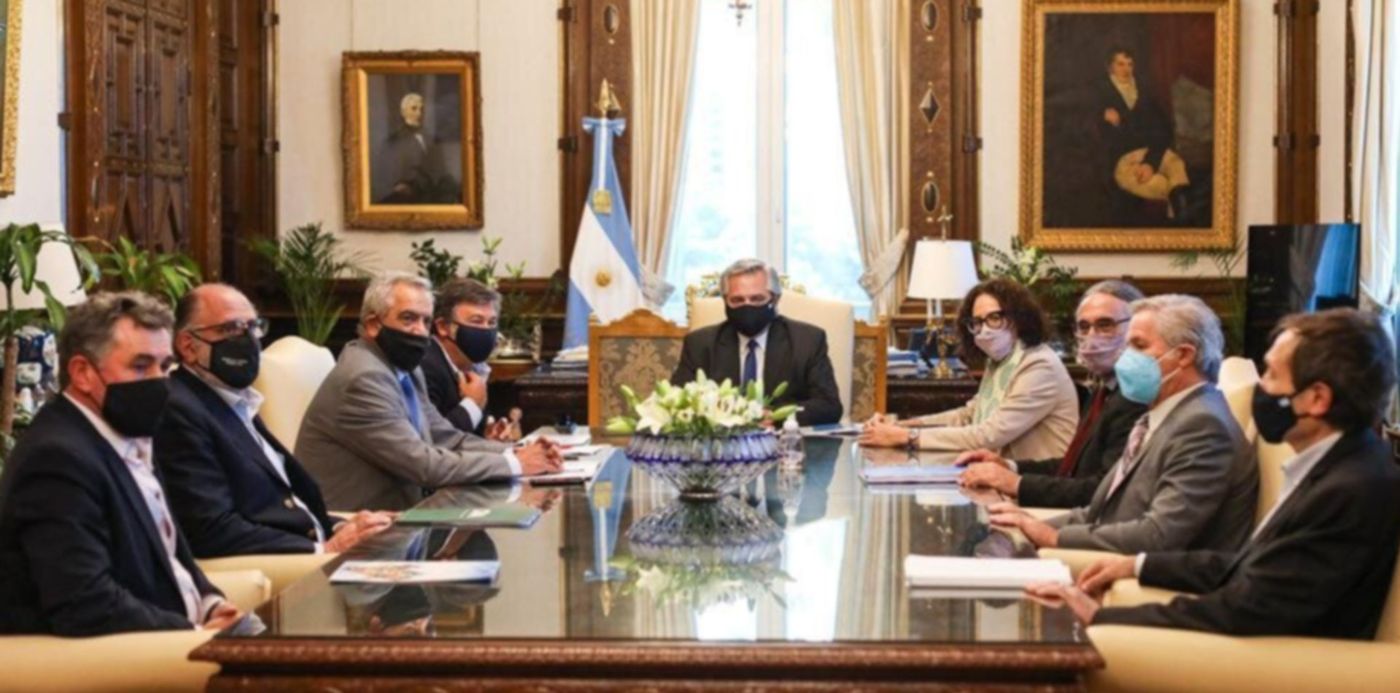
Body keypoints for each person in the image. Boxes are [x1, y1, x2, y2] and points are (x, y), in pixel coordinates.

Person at [1031, 309, 1400, 639]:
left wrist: (1105, 617)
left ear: (1317, 398)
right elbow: (1248, 564)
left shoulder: (1351, 487)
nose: (1262, 388)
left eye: (1271, 374)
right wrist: (1136, 565)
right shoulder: (1334, 466)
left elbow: (1248, 607)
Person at [0, 292, 242, 635]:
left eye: (166, 366)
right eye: (141, 366)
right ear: (82, 372)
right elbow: (86, 604)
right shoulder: (57, 460)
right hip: (119, 662)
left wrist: (211, 604)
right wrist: (194, 634)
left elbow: (171, 558)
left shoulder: (125, 432)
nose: (160, 381)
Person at [988, 295, 1257, 554]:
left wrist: (1051, 537)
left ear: (1184, 355)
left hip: (1154, 577)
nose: (1124, 358)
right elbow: (1103, 509)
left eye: (1139, 346)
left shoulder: (1203, 426)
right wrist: (1030, 525)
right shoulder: (1159, 414)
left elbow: (1159, 535)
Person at [155, 284, 394, 558]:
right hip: (282, 571)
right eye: (232, 328)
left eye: (253, 326)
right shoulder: (179, 410)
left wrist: (342, 527)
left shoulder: (237, 402)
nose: (248, 339)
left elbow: (281, 505)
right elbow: (212, 528)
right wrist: (323, 550)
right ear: (188, 345)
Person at [297, 273, 561, 510]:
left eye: (425, 321)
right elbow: (424, 465)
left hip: (407, 517)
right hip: (358, 529)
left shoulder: (404, 368)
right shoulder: (365, 378)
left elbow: (444, 436)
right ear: (373, 325)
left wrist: (517, 452)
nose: (420, 332)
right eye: (408, 319)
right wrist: (516, 465)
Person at [957, 280, 1147, 508]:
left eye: (1105, 325)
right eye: (1084, 327)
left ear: (1138, 330)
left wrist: (1017, 484)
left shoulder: (1135, 397)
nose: (1092, 337)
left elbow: (1104, 490)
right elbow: (1073, 466)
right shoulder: (1104, 390)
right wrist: (1009, 466)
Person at [860, 278, 1079, 459]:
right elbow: (969, 415)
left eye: (994, 318)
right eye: (976, 322)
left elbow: (988, 434)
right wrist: (899, 425)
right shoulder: (1001, 361)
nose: (984, 330)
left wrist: (906, 436)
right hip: (999, 477)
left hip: (1036, 489)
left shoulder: (1039, 365)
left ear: (1019, 317)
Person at [671, 258, 842, 426]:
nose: (748, 307)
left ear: (775, 299)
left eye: (757, 299)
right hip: (721, 446)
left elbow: (828, 406)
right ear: (725, 301)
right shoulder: (700, 344)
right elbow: (677, 402)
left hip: (783, 445)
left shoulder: (807, 341)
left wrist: (775, 416)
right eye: (737, 300)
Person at [1095, 46, 1194, 224]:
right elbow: (1083, 127)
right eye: (1120, 64)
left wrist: (1150, 162)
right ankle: (1180, 215)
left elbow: (1164, 129)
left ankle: (1182, 211)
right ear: (1110, 67)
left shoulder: (1145, 92)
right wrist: (1102, 117)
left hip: (1151, 151)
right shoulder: (1099, 94)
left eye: (1130, 64)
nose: (1126, 69)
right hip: (1123, 160)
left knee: (1176, 164)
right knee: (1160, 184)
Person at [421, 278, 507, 437]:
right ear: (443, 327)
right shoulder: (425, 367)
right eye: (477, 321)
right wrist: (472, 404)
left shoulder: (475, 366)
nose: (486, 331)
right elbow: (434, 440)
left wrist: (488, 436)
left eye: (492, 322)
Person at [375, 91, 460, 204]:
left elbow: (440, 169)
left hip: (432, 196)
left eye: (421, 109)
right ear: (403, 112)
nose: (419, 113)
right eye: (414, 108)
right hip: (408, 199)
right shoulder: (393, 141)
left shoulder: (431, 138)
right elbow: (388, 177)